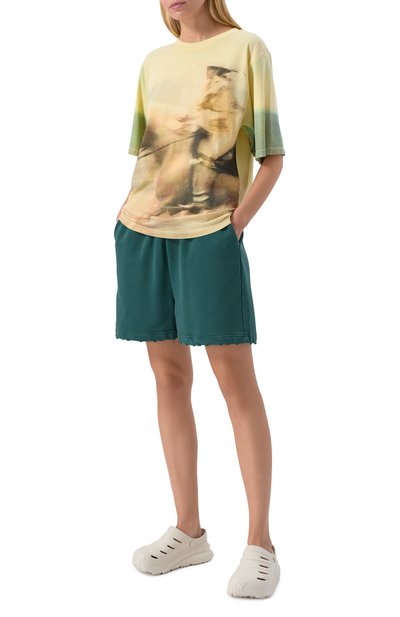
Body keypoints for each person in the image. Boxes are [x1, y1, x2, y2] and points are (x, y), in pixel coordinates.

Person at [114, 0, 286, 600]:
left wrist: (235, 224)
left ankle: (261, 544)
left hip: (211, 231)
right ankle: (189, 532)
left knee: (234, 379)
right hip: (141, 230)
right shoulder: (153, 61)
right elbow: (152, 155)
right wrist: (127, 217)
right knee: (167, 376)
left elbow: (272, 156)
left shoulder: (246, 49)